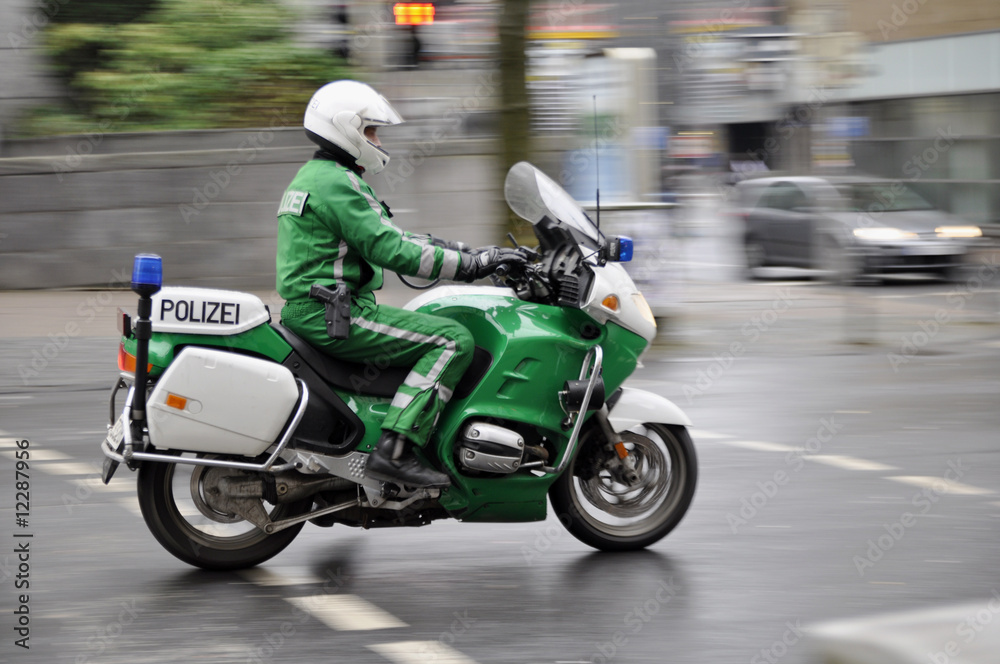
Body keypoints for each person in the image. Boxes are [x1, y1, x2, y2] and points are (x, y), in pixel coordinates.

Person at [276, 80, 524, 489]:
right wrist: (474, 265)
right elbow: (394, 250)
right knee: (452, 340)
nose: (376, 140)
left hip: (317, 309)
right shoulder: (337, 182)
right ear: (344, 128)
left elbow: (394, 237)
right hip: (337, 314)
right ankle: (395, 451)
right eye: (370, 131)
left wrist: (472, 252)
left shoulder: (317, 177)